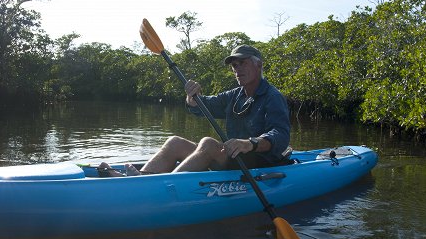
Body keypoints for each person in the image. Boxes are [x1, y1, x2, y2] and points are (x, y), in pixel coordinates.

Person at [99, 44, 290, 176]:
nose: (237, 69)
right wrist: (192, 98)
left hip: (258, 164)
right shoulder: (235, 95)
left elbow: (280, 135)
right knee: (175, 142)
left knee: (207, 142)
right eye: (234, 65)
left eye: (243, 63)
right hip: (232, 159)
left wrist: (250, 143)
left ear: (258, 65)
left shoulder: (273, 97)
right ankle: (144, 177)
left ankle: (160, 185)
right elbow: (204, 105)